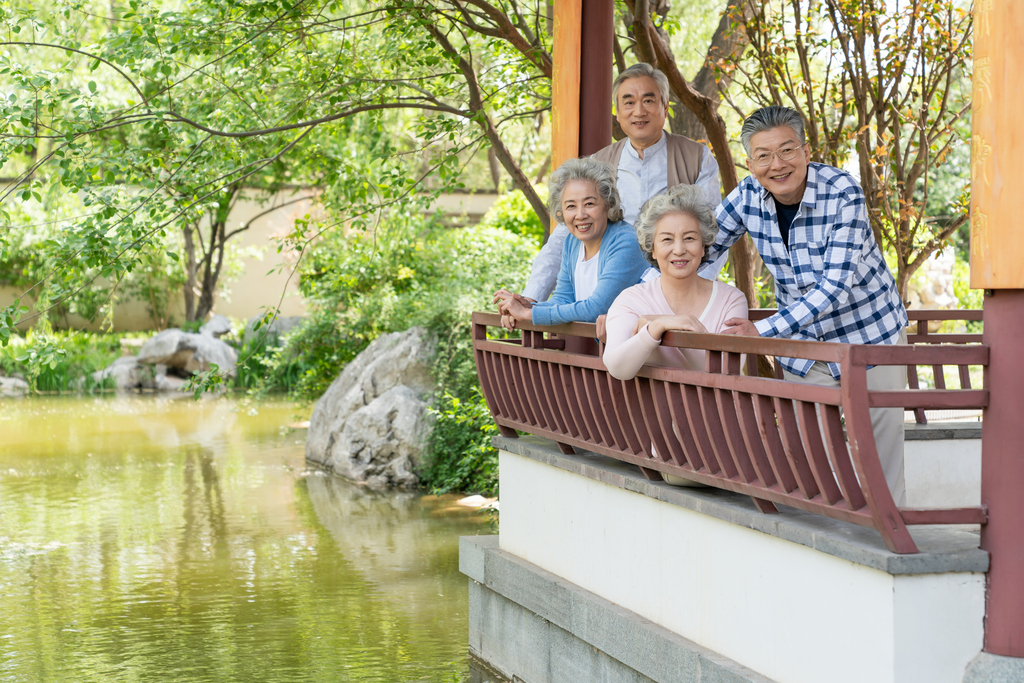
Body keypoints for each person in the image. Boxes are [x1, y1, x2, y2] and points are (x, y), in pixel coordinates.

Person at [703, 105, 909, 505]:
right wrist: (640, 300)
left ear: (806, 151)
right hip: (804, 343)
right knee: (814, 453)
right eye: (763, 156)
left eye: (787, 150)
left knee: (880, 452)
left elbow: (834, 287)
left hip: (870, 332)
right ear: (750, 162)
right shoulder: (746, 195)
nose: (776, 165)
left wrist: (759, 331)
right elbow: (697, 252)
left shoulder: (842, 191)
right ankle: (832, 541)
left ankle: (889, 539)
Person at [496, 63, 724, 312]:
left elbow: (714, 232)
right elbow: (563, 237)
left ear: (665, 108)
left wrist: (691, 289)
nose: (638, 111)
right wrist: (531, 298)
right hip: (606, 299)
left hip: (678, 295)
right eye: (628, 102)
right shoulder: (596, 165)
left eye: (648, 101)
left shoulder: (696, 157)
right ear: (617, 113)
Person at [603, 184, 748, 380]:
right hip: (656, 411)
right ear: (652, 249)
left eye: (689, 238)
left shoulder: (731, 299)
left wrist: (679, 329)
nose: (679, 249)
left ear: (703, 246)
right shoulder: (631, 299)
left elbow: (726, 372)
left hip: (721, 410)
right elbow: (618, 368)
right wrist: (655, 328)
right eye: (667, 240)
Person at [499, 157, 648, 329]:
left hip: (659, 349)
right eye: (570, 206)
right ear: (561, 211)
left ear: (608, 204)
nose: (580, 214)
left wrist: (527, 314)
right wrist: (524, 307)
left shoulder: (625, 241)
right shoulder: (572, 242)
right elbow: (563, 299)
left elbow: (596, 308)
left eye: (589, 203)